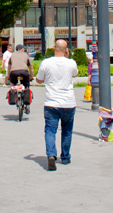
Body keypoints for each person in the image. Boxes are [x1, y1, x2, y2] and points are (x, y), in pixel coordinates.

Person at [36, 39, 78, 171]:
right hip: (68, 103)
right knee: (66, 131)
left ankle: (51, 155)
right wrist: (67, 56)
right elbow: (75, 73)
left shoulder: (46, 63)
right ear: (66, 50)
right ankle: (65, 157)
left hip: (51, 102)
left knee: (50, 130)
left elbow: (39, 79)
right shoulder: (71, 63)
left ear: (54, 48)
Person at [7, 45, 34, 114]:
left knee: (13, 83)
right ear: (21, 49)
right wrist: (31, 77)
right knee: (26, 86)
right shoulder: (25, 55)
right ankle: (27, 105)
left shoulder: (12, 55)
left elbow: (9, 67)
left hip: (14, 72)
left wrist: (9, 77)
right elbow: (30, 67)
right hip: (24, 72)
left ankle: (13, 93)